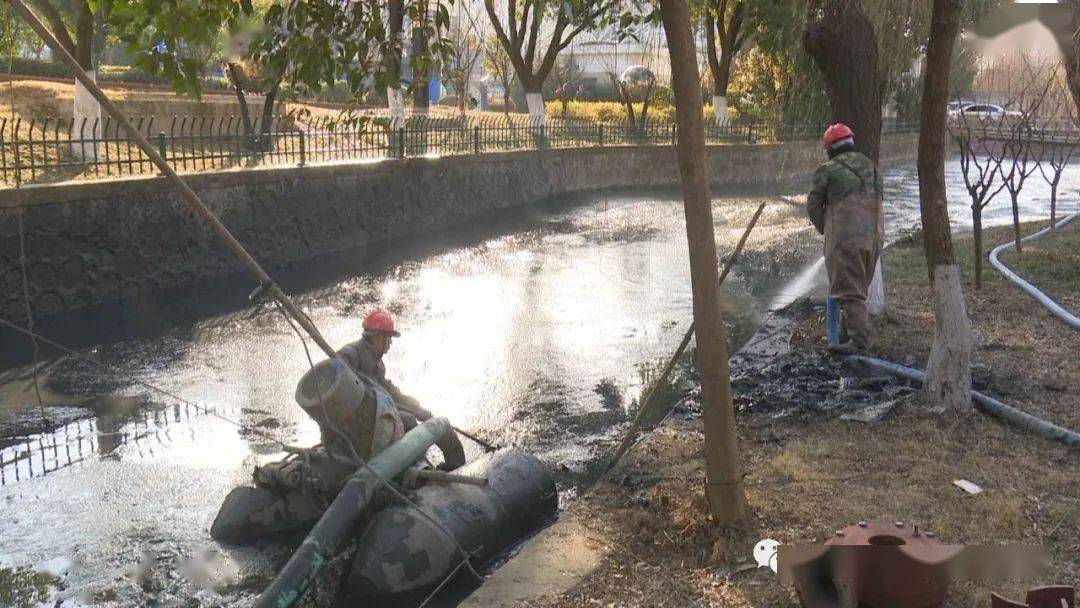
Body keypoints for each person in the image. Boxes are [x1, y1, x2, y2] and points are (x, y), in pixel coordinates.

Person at [806, 123, 885, 354]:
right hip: (875, 237)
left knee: (849, 290)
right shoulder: (872, 167)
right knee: (855, 286)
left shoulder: (827, 170)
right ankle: (846, 333)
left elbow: (813, 206)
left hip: (846, 238)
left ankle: (860, 341)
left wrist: (827, 230)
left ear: (830, 148)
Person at [336, 310, 429, 419]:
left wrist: (418, 409)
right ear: (379, 337)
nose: (390, 342)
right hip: (353, 419)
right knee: (408, 420)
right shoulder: (349, 355)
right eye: (389, 337)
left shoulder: (377, 363)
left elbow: (389, 391)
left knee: (407, 416)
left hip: (370, 413)